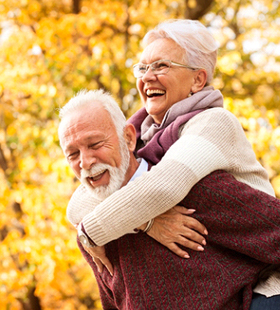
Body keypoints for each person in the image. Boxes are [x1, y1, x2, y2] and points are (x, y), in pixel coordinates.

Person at [65, 20, 280, 307]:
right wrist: (147, 221)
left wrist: (90, 233)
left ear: (197, 80)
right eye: (142, 68)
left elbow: (163, 187)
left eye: (161, 66)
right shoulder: (139, 132)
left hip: (259, 280)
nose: (147, 77)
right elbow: (80, 203)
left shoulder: (213, 122)